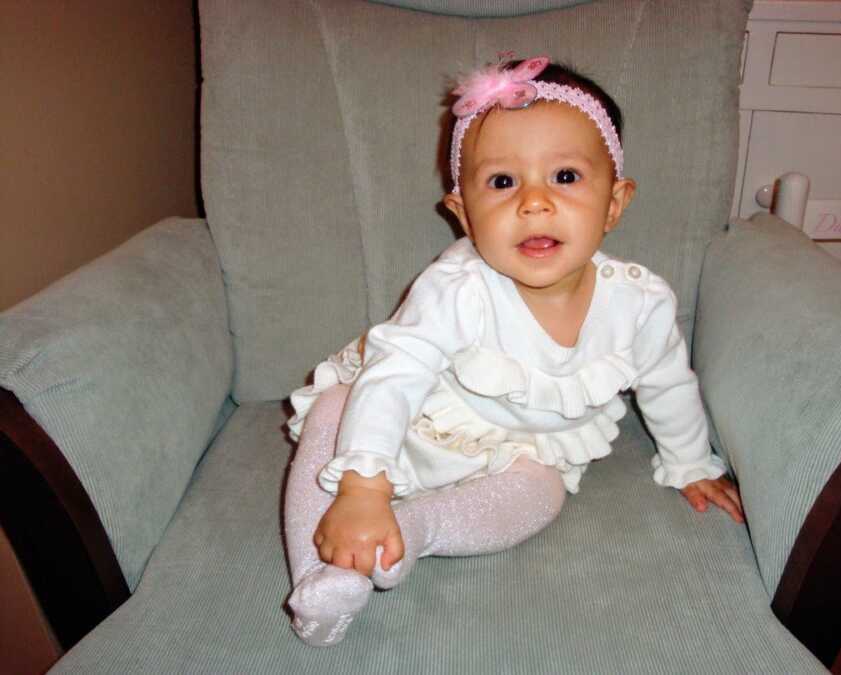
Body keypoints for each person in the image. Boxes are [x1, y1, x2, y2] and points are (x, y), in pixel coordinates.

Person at [283, 56, 744, 647]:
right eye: (503, 183)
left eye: (566, 177)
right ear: (464, 215)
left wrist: (689, 462)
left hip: (517, 452)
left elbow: (667, 383)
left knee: (542, 495)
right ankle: (319, 581)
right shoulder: (458, 288)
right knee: (338, 407)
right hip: (408, 424)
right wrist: (363, 487)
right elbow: (398, 375)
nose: (534, 202)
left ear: (615, 202)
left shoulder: (641, 302)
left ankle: (414, 531)